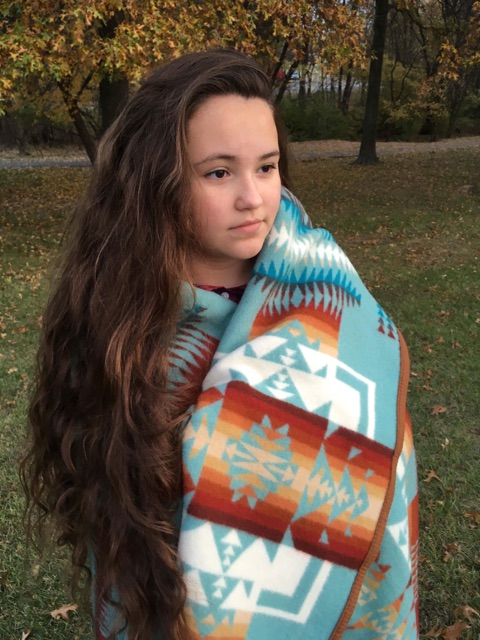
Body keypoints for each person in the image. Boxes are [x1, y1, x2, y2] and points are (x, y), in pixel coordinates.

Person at [22, 50, 418, 640]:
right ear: (156, 182)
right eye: (218, 172)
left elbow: (379, 458)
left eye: (266, 167)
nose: (253, 198)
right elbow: (115, 508)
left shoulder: (329, 294)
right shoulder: (121, 328)